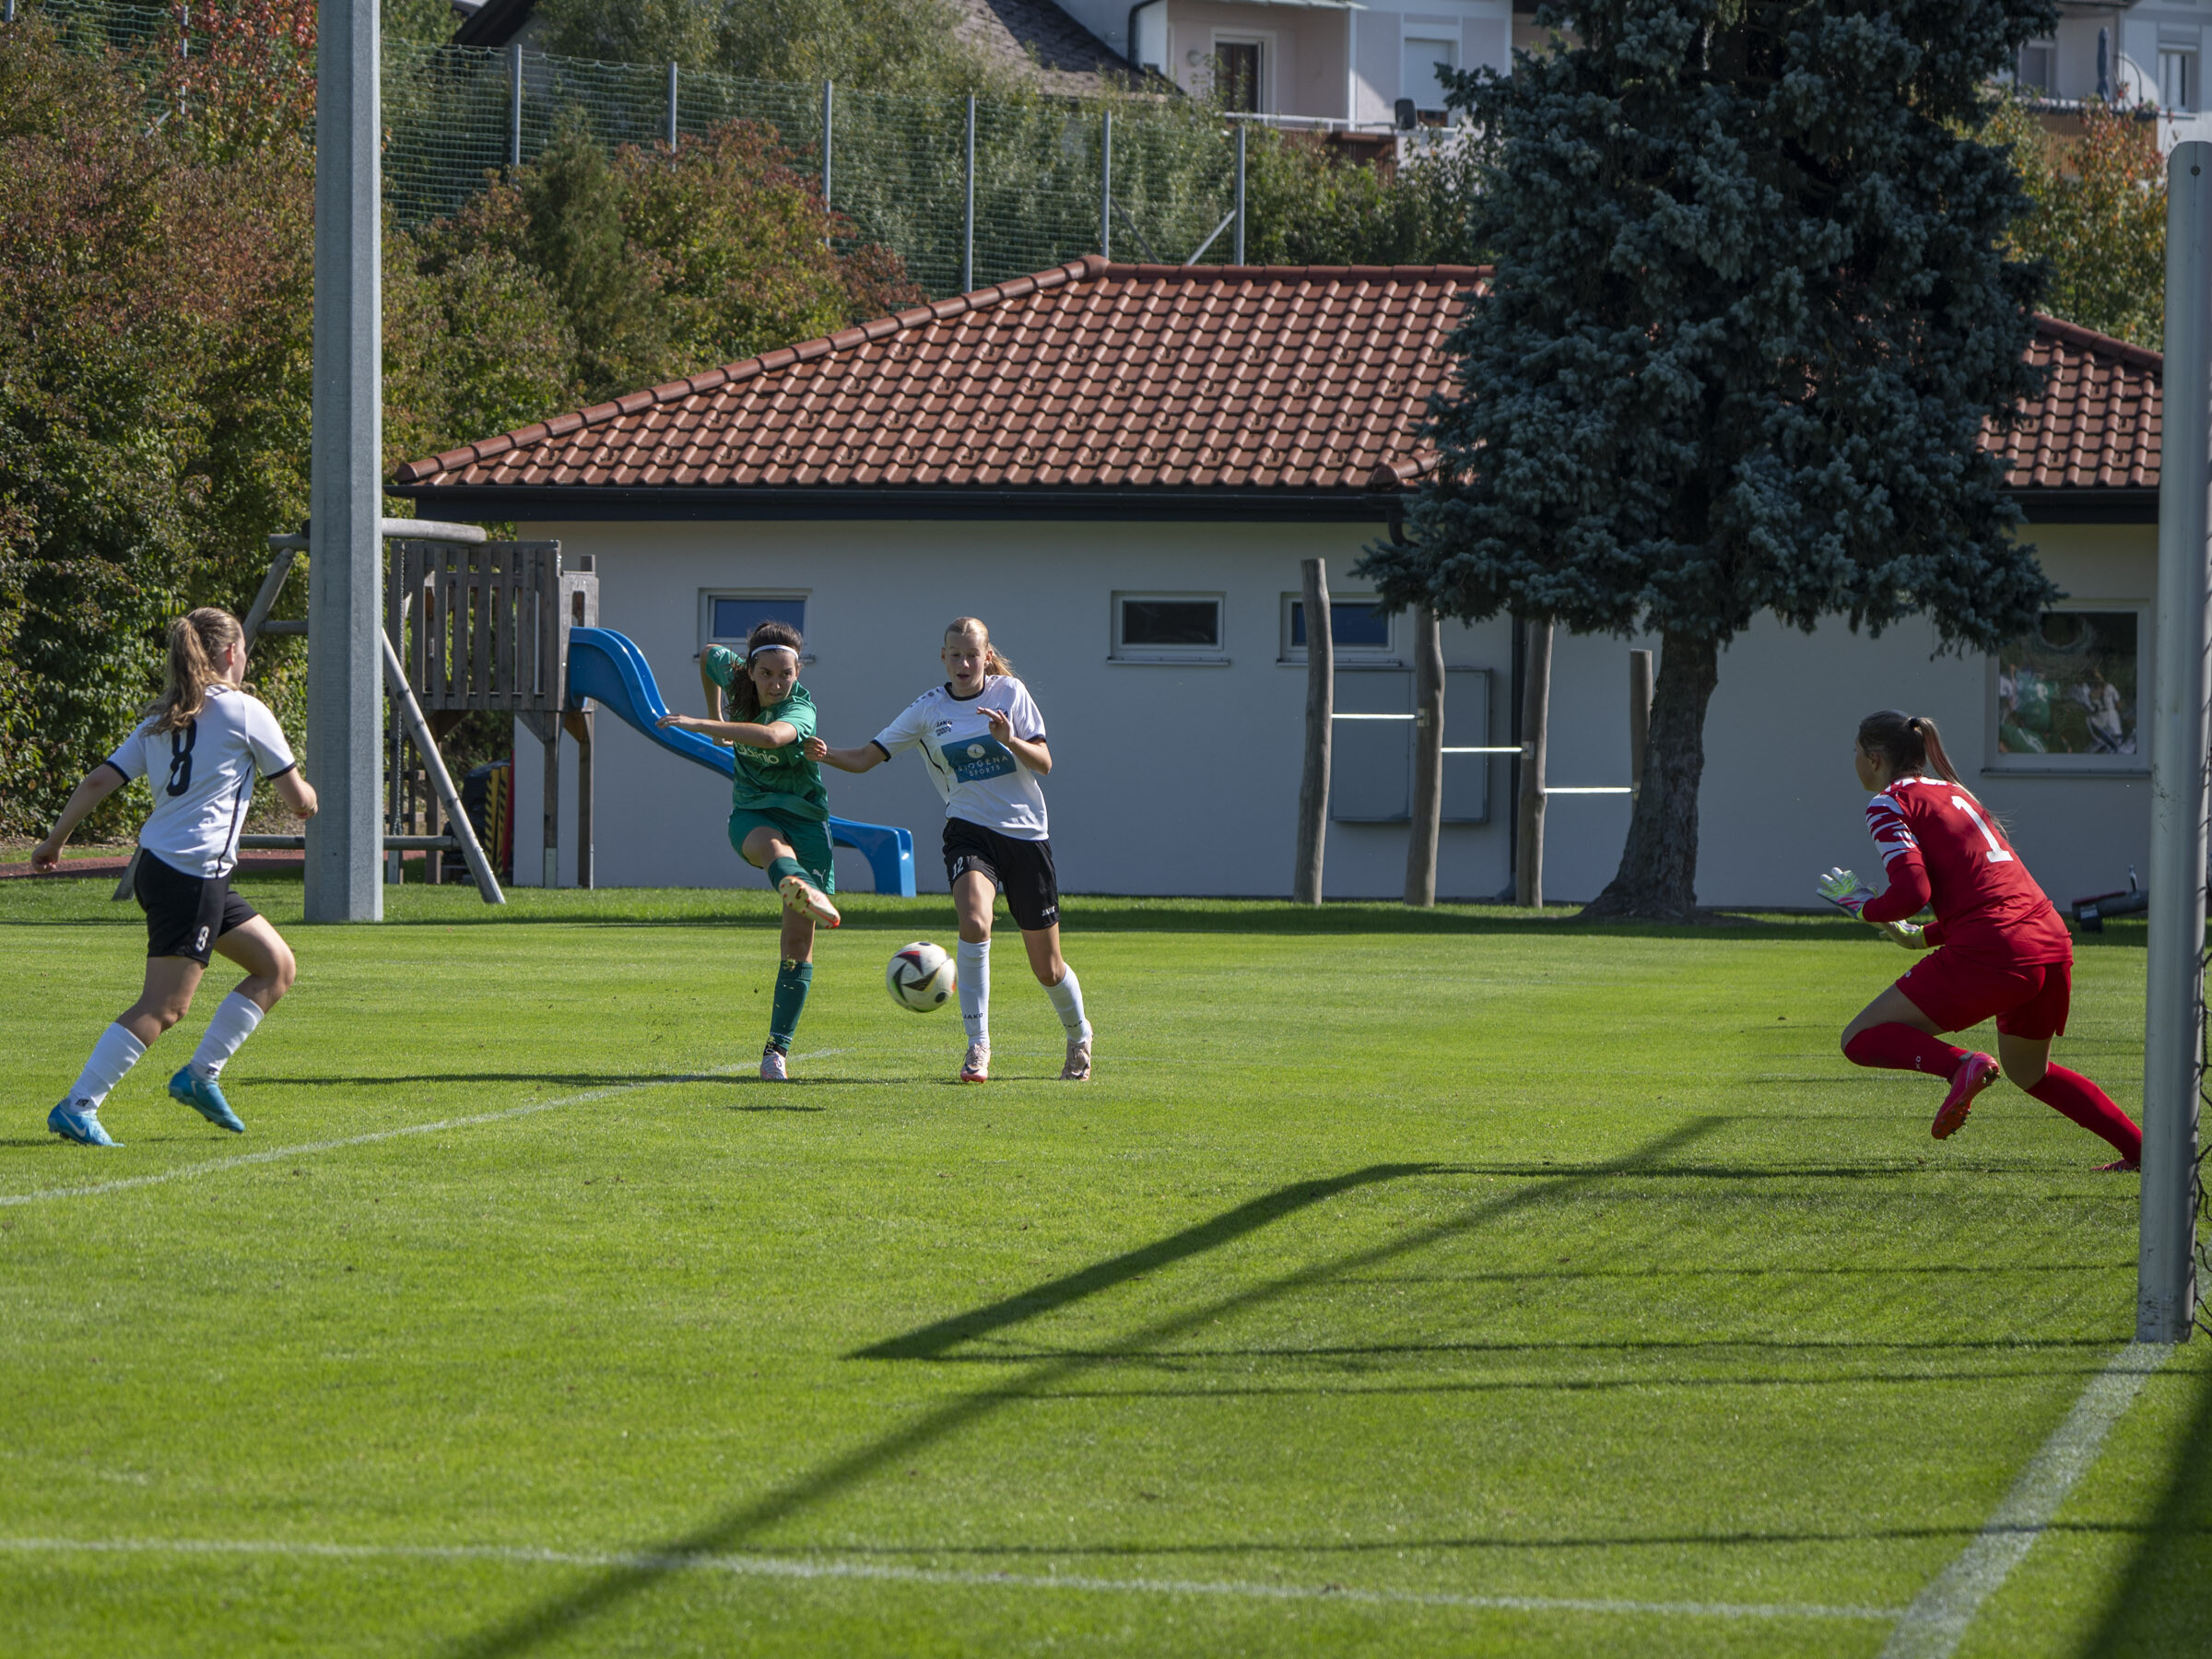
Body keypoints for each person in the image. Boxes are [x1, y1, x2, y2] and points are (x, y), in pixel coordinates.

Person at [32, 607, 318, 1147]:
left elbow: (98, 782)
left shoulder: (164, 718)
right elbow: (296, 799)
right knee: (165, 1006)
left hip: (167, 869)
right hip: (193, 875)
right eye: (243, 651)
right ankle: (78, 1105)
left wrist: (54, 841)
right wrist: (309, 799)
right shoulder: (245, 711)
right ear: (231, 653)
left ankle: (200, 1076)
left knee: (276, 966)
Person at [1818, 709, 2141, 1170]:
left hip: (1996, 948)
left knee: (1859, 1038)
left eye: (1854, 751)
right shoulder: (1953, 792)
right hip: (2048, 939)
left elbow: (1914, 892)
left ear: (1874, 759)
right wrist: (1918, 937)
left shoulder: (1888, 802)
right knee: (2031, 1073)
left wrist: (1864, 908)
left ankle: (1961, 1065)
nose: (1852, 760)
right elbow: (1985, 890)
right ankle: (2142, 1152)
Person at [808, 616, 1091, 1083]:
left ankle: (1079, 1036)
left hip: (1025, 836)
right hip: (968, 831)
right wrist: (823, 754)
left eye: (972, 655)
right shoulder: (928, 710)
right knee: (975, 922)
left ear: (986, 656)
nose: (963, 663)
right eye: (955, 655)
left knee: (1047, 968)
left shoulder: (1010, 694)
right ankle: (978, 1045)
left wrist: (1009, 740)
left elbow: (1044, 763)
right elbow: (865, 757)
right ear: (943, 657)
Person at [657, 618, 838, 1083]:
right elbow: (708, 654)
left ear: (798, 673)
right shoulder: (734, 674)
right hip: (752, 811)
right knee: (770, 845)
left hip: (806, 821)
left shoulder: (800, 708)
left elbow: (774, 737)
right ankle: (796, 882)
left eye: (786, 675)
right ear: (751, 671)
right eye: (767, 674)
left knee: (796, 944)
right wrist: (715, 711)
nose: (776, 684)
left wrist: (707, 725)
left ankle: (776, 1052)